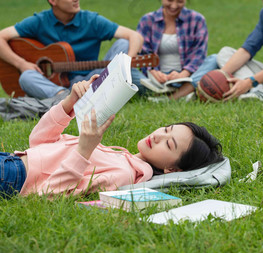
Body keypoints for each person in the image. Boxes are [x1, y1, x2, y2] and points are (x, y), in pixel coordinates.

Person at [0, 77, 224, 198]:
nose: (157, 136)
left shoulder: (124, 173)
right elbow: (38, 143)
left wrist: (84, 150)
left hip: (13, 176)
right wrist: (70, 102)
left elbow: (48, 195)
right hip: (11, 160)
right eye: (165, 129)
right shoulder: (122, 157)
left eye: (169, 143)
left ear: (172, 170)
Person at [0, 0, 143, 99]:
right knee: (26, 77)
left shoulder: (91, 20)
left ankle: (84, 95)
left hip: (91, 79)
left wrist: (126, 63)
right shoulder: (39, 21)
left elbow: (134, 36)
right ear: (52, 0)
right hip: (56, 86)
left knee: (123, 44)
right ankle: (65, 98)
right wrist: (21, 63)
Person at [126, 0, 218, 100]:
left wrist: (183, 74)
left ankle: (172, 97)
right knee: (125, 68)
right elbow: (143, 54)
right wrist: (154, 72)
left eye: (180, 1)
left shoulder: (197, 20)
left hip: (186, 77)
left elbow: (199, 54)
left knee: (215, 60)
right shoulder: (147, 21)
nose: (174, 6)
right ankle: (183, 93)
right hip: (154, 81)